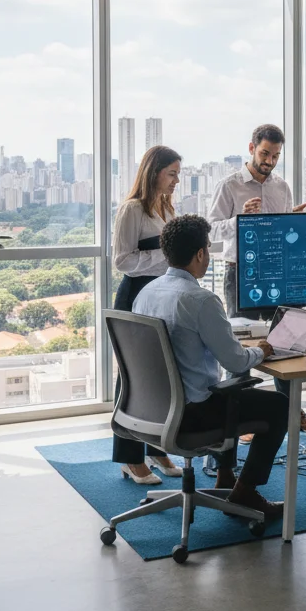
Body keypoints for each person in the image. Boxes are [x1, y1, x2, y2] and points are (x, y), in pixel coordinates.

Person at [129, 215, 289, 519]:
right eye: (208, 249)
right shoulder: (201, 300)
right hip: (192, 416)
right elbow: (235, 362)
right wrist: (262, 350)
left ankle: (226, 476)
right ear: (201, 254)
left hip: (151, 409)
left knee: (228, 394)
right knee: (278, 405)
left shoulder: (145, 293)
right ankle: (246, 491)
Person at [207, 123, 306, 437]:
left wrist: (294, 223)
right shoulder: (229, 186)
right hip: (240, 273)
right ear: (251, 148)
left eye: (275, 155)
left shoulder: (281, 187)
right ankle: (241, 418)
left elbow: (281, 230)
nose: (269, 161)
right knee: (239, 345)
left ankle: (291, 412)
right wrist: (240, 220)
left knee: (287, 342)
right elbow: (212, 229)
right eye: (264, 153)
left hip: (278, 271)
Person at [111, 145, 184, 484]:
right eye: (172, 173)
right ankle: (128, 456)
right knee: (132, 375)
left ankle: (155, 448)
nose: (176, 180)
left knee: (161, 374)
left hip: (162, 296)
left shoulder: (166, 208)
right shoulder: (132, 210)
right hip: (136, 296)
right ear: (154, 172)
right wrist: (162, 258)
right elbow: (122, 261)